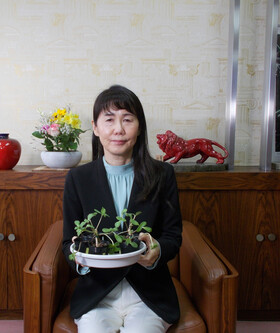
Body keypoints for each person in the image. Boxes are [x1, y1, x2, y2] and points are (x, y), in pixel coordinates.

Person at [62, 85, 182, 333]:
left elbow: (173, 236)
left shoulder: (162, 175)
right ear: (95, 127)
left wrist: (157, 251)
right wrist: (81, 257)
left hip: (148, 294)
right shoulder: (78, 178)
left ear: (139, 127)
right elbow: (67, 243)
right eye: (109, 120)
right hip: (97, 294)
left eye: (127, 119)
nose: (118, 129)